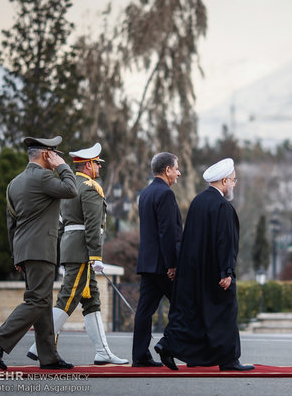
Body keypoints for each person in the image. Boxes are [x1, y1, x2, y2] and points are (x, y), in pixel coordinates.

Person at [25, 143, 128, 365]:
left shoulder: (69, 186)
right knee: (68, 298)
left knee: (91, 301)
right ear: (89, 165)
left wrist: (63, 254)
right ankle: (39, 345)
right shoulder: (90, 187)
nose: (99, 168)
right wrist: (96, 256)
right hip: (83, 251)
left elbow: (62, 223)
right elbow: (93, 226)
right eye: (97, 164)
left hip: (72, 250)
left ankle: (102, 351)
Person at [0, 136, 78, 370]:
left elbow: (10, 223)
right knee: (37, 300)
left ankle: (49, 357)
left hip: (25, 249)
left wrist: (16, 255)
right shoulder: (44, 176)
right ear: (46, 154)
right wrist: (62, 167)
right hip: (40, 249)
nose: (56, 156)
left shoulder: (14, 182)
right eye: (54, 153)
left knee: (42, 302)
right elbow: (71, 189)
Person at [155, 158, 254, 371]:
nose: (234, 185)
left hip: (193, 273)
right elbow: (225, 242)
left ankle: (168, 345)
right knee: (225, 312)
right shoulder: (222, 206)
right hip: (216, 274)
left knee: (194, 315)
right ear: (225, 181)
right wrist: (227, 271)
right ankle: (228, 360)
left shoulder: (198, 201)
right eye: (234, 181)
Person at [132, 152, 182, 367]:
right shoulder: (166, 194)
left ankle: (140, 356)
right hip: (163, 266)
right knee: (184, 307)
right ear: (167, 170)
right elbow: (167, 232)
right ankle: (167, 345)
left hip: (147, 263)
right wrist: (172, 264)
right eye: (176, 168)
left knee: (144, 311)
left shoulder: (145, 193)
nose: (179, 172)